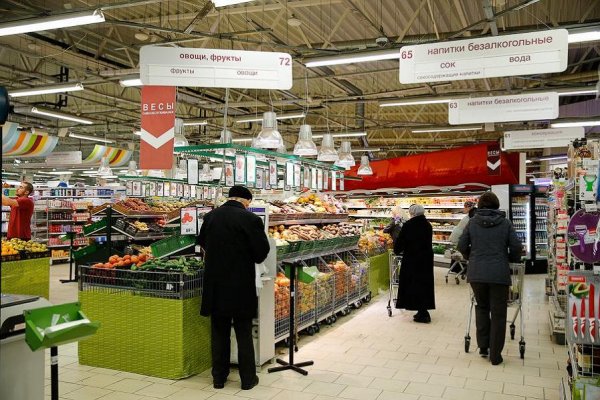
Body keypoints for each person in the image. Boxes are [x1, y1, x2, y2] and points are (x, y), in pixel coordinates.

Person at [198, 185, 270, 390]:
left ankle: (218, 378)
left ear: (230, 198)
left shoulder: (211, 217)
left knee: (219, 331)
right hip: (241, 285)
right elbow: (261, 252)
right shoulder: (251, 219)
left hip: (215, 284)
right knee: (243, 331)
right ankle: (247, 379)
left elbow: (202, 242)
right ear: (246, 201)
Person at [457, 192, 522, 366]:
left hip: (477, 274)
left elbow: (461, 245)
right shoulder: (505, 223)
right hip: (499, 274)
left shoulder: (472, 222)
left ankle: (483, 347)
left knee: (482, 308)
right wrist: (511, 259)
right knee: (499, 313)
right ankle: (495, 355)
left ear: (480, 205)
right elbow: (516, 246)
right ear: (496, 205)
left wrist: (472, 257)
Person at [394, 204, 435, 323]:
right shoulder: (427, 225)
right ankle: (422, 310)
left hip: (412, 259)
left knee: (412, 283)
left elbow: (401, 241)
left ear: (412, 213)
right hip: (425, 259)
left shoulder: (409, 225)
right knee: (424, 284)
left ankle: (422, 312)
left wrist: (397, 250)